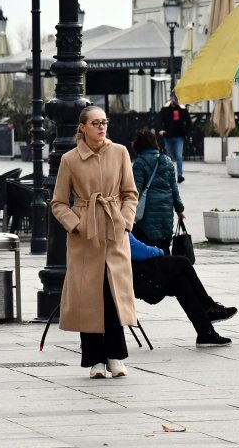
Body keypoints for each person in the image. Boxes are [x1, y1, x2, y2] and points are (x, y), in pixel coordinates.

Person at [52, 106, 139, 379]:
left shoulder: (120, 152)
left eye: (105, 122)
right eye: (96, 123)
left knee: (113, 295)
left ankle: (115, 356)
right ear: (83, 127)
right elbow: (58, 202)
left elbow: (130, 193)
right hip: (85, 237)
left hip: (114, 232)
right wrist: (76, 225)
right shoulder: (69, 159)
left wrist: (125, 222)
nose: (102, 127)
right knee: (87, 298)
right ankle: (94, 360)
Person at [129, 233, 236, 347]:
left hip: (133, 277)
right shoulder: (119, 220)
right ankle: (209, 307)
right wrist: (158, 251)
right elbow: (135, 249)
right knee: (182, 262)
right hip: (132, 279)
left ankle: (205, 332)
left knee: (180, 282)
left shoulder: (121, 219)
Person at [131, 129, 184, 255]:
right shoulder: (167, 160)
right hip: (166, 213)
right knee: (164, 248)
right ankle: (167, 273)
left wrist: (129, 211)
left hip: (146, 215)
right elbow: (174, 188)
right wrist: (179, 209)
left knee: (147, 250)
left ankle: (152, 274)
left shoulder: (139, 163)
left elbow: (135, 192)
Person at [158, 93, 192, 183]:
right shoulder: (165, 109)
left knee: (179, 156)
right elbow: (159, 121)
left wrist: (186, 133)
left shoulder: (182, 109)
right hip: (168, 136)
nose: (176, 100)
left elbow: (189, 122)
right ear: (171, 98)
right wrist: (161, 130)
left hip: (179, 136)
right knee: (169, 157)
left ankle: (180, 175)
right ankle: (170, 176)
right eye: (174, 98)